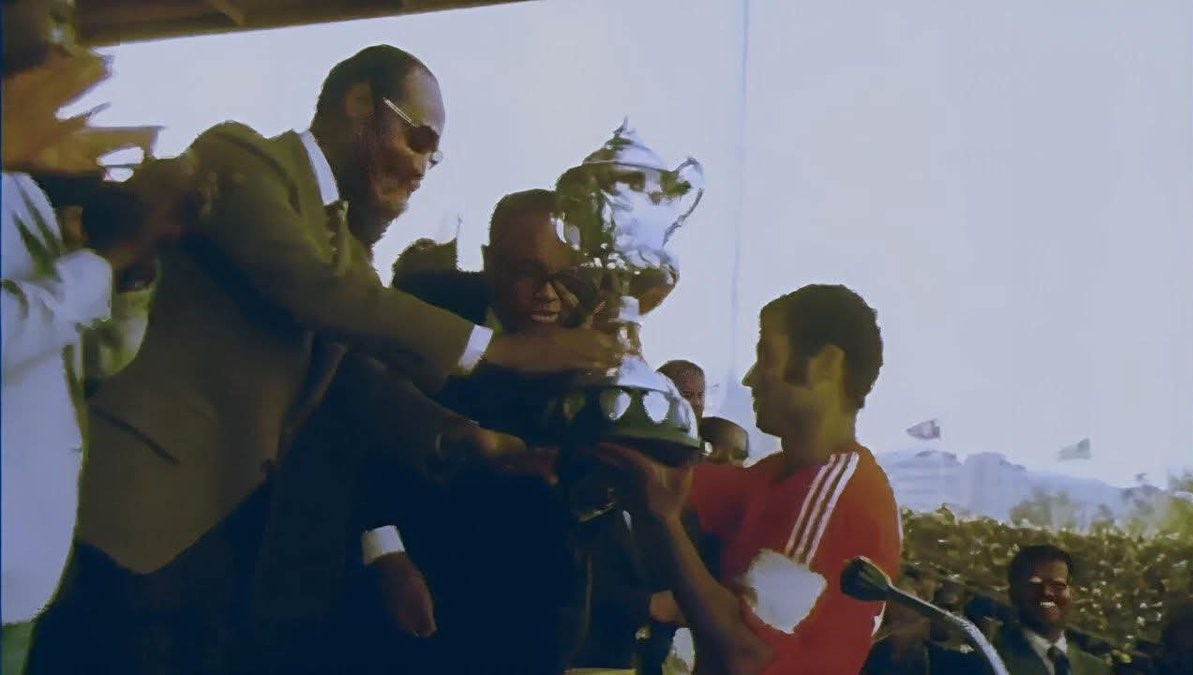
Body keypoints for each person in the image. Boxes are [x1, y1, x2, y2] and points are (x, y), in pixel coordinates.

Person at [25, 47, 619, 674]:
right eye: (418, 140)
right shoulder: (240, 157)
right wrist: (498, 350)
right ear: (361, 104)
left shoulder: (345, 249)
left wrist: (463, 437)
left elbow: (361, 372)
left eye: (433, 156)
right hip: (132, 515)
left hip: (223, 545)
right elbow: (312, 290)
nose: (422, 167)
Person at [335, 188, 601, 675]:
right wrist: (387, 556)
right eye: (528, 272)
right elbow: (362, 435)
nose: (549, 293)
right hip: (418, 588)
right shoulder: (428, 312)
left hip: (538, 606)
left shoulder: (594, 345)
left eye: (566, 275)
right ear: (489, 263)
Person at [1, 1, 180, 670]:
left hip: (26, 570)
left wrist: (132, 267)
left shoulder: (25, 186)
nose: (68, 48)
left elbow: (90, 358)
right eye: (51, 20)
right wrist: (106, 259)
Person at [600, 284, 902, 674]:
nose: (750, 378)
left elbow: (747, 651)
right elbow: (667, 479)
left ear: (826, 364)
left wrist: (662, 519)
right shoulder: (773, 476)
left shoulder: (841, 494)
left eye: (766, 356)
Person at [988, 545, 1112, 675]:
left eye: (1058, 585)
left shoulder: (1097, 670)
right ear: (1014, 592)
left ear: (1073, 594)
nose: (1047, 592)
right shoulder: (992, 658)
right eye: (1035, 585)